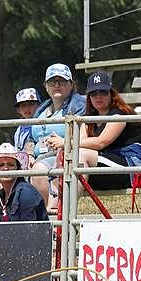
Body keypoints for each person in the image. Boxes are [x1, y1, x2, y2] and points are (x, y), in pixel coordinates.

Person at [77, 70, 141, 190]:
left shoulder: (119, 115)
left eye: (103, 92)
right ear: (89, 97)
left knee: (80, 154)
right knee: (65, 157)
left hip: (130, 168)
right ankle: (53, 208)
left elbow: (100, 142)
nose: (98, 97)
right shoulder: (88, 119)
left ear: (111, 94)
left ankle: (69, 208)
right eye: (93, 93)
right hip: (106, 166)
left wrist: (65, 143)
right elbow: (81, 143)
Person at [28, 63, 87, 212]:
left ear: (71, 84)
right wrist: (27, 154)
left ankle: (49, 214)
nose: (57, 85)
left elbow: (83, 134)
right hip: (37, 157)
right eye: (52, 81)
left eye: (62, 81)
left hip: (61, 156)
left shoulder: (78, 105)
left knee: (39, 169)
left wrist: (64, 143)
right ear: (46, 86)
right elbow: (30, 137)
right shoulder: (42, 108)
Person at [0, 143, 48, 221]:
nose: (5, 168)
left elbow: (28, 230)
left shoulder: (25, 193)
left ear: (18, 168)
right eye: (1, 165)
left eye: (10, 165)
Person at [13, 87, 39, 155]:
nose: (27, 108)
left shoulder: (42, 124)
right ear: (18, 110)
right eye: (23, 105)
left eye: (31, 104)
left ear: (39, 105)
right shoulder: (19, 128)